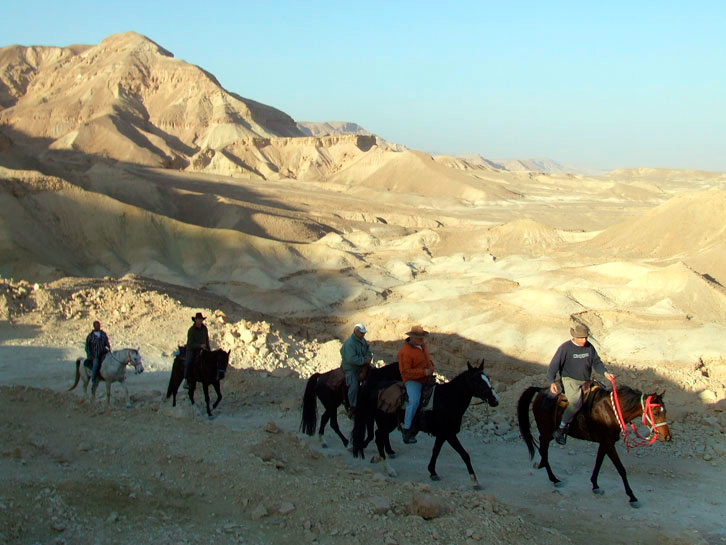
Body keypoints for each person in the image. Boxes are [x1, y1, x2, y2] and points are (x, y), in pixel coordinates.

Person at [547, 323, 615, 445]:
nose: (584, 340)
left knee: (601, 396)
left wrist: (605, 373)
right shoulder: (565, 348)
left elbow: (597, 362)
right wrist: (551, 381)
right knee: (576, 403)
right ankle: (561, 429)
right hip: (570, 380)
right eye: (582, 338)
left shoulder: (589, 347)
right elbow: (553, 365)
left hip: (586, 380)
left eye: (586, 337)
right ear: (575, 337)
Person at [397, 325, 435, 444]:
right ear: (412, 338)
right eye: (420, 338)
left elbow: (428, 360)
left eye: (422, 338)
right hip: (412, 381)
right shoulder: (404, 352)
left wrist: (431, 368)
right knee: (414, 401)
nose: (422, 340)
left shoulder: (422, 346)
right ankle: (407, 428)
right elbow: (405, 372)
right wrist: (423, 372)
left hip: (426, 378)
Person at [340, 323, 373, 417]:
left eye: (364, 333)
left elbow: (368, 351)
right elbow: (351, 359)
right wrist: (364, 360)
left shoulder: (363, 341)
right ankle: (353, 407)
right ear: (356, 331)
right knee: (354, 386)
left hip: (363, 365)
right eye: (362, 333)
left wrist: (369, 357)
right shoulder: (349, 343)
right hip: (351, 368)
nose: (363, 335)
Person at [184, 312, 210, 389]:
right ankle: (186, 380)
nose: (200, 321)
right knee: (189, 361)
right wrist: (199, 345)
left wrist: (208, 348)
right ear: (195, 320)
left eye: (201, 319)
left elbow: (206, 339)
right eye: (198, 319)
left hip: (203, 348)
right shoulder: (191, 330)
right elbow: (190, 343)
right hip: (192, 349)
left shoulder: (204, 328)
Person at [85, 320, 111, 393]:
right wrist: (89, 355)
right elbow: (87, 346)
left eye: (99, 325)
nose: (98, 326)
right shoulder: (90, 336)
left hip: (103, 353)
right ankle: (93, 379)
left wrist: (108, 346)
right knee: (96, 364)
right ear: (94, 326)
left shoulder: (103, 334)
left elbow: (107, 342)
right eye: (97, 325)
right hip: (95, 354)